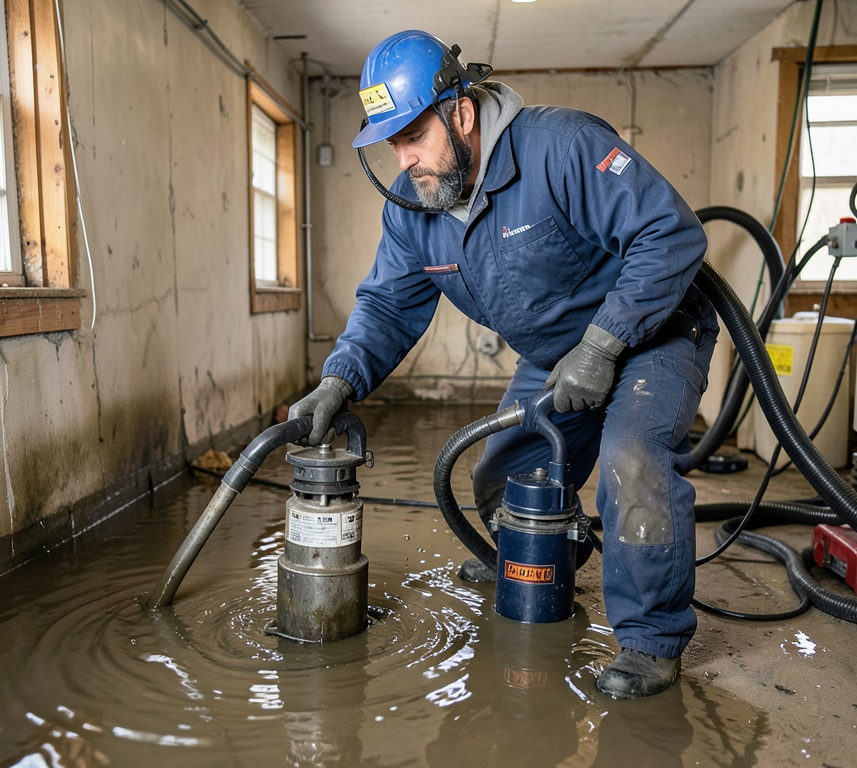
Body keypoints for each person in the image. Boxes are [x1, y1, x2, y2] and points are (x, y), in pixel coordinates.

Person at [289, 30, 719, 699]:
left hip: (654, 334)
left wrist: (604, 346)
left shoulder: (561, 146)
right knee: (501, 479)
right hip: (557, 357)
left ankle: (649, 643)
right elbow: (388, 306)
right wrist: (338, 380)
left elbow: (671, 232)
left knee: (632, 462)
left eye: (414, 136)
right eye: (391, 143)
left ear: (460, 114)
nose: (405, 160)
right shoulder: (416, 209)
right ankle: (547, 554)